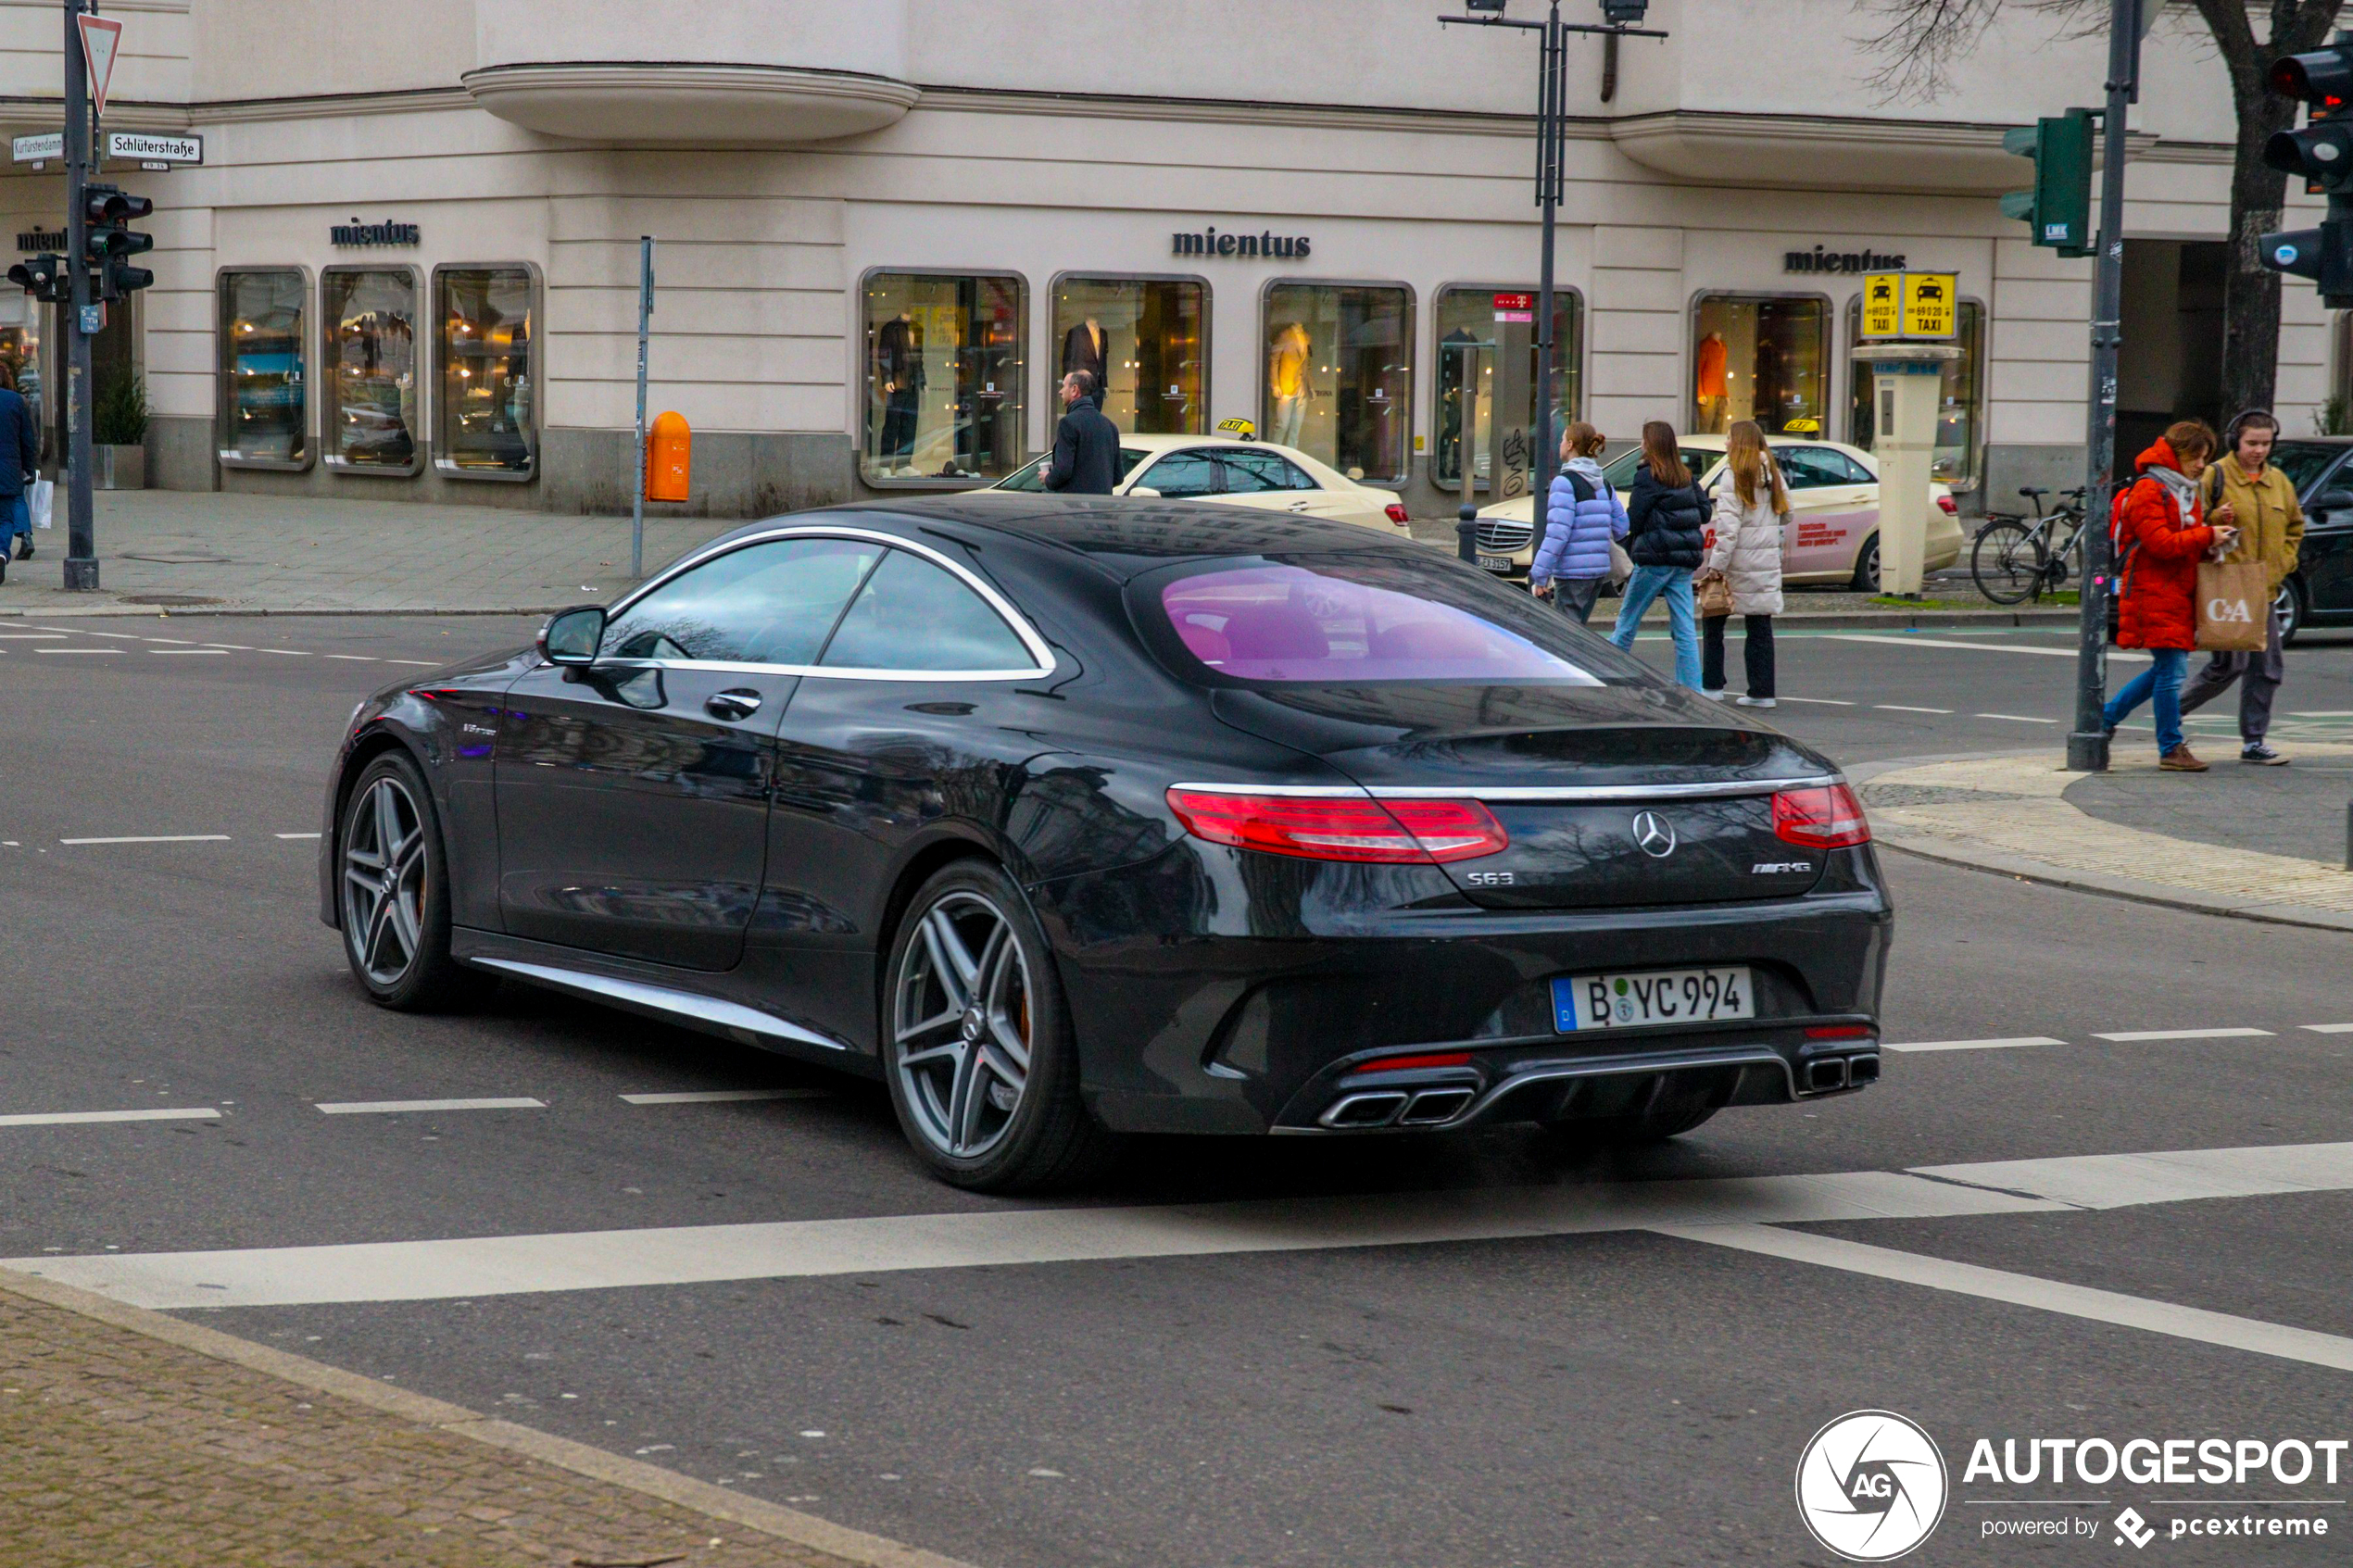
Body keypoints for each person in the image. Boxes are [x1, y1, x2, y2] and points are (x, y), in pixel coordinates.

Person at [2102, 420, 2235, 771]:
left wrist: (2212, 537)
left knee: (2164, 670)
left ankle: (2103, 721)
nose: (2201, 465)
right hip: (2152, 589)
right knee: (2171, 671)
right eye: (2196, 457)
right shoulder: (2151, 490)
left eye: (2205, 457)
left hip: (2174, 589)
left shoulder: (2182, 490)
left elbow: (2182, 541)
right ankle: (2170, 747)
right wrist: (2206, 536)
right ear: (2176, 454)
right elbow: (2160, 544)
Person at [2178, 408, 2301, 764]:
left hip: (2263, 589)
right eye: (2252, 443)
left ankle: (2254, 741)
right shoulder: (2215, 476)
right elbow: (2189, 523)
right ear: (2236, 441)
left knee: (2268, 668)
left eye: (2265, 443)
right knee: (2228, 666)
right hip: (2228, 586)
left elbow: (2295, 527)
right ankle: (2170, 713)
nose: (2259, 450)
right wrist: (2213, 521)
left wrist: (2285, 563)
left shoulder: (2279, 481)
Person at [1608, 420, 1708, 690]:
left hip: (1654, 559)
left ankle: (1608, 677)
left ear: (1650, 444)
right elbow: (1705, 512)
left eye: (1643, 440)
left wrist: (1631, 545)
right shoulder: (1685, 475)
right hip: (1683, 561)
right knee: (1685, 629)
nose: (1641, 444)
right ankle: (1692, 690)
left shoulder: (1646, 476)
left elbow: (1635, 518)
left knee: (1627, 622)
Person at [1697, 420, 1787, 707]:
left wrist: (1716, 567)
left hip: (1736, 562)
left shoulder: (1732, 475)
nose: (1725, 444)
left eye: (1728, 439)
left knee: (1713, 618)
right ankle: (1763, 692)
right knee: (1760, 624)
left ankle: (1712, 685)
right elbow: (1788, 514)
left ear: (1738, 443)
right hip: (1765, 560)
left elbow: (1727, 530)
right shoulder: (1772, 473)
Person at [1528, 421, 1627, 625]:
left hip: (1572, 573)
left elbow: (1558, 533)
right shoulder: (1603, 484)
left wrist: (1540, 574)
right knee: (1579, 632)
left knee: (1566, 637)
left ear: (1570, 444)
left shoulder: (1564, 483)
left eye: (1563, 440)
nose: (1560, 444)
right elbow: (1621, 527)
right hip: (1598, 571)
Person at [1040, 370, 1121, 495]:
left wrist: (1048, 479)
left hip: (1075, 507)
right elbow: (1118, 477)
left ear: (1074, 390)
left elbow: (1063, 470)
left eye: (1064, 386)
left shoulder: (1068, 423)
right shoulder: (1110, 426)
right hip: (1103, 507)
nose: (1060, 391)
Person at [0, 360, 35, 580]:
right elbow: (27, 440)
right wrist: (29, 469)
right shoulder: (17, 402)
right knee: (5, 518)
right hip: (9, 470)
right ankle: (2, 553)